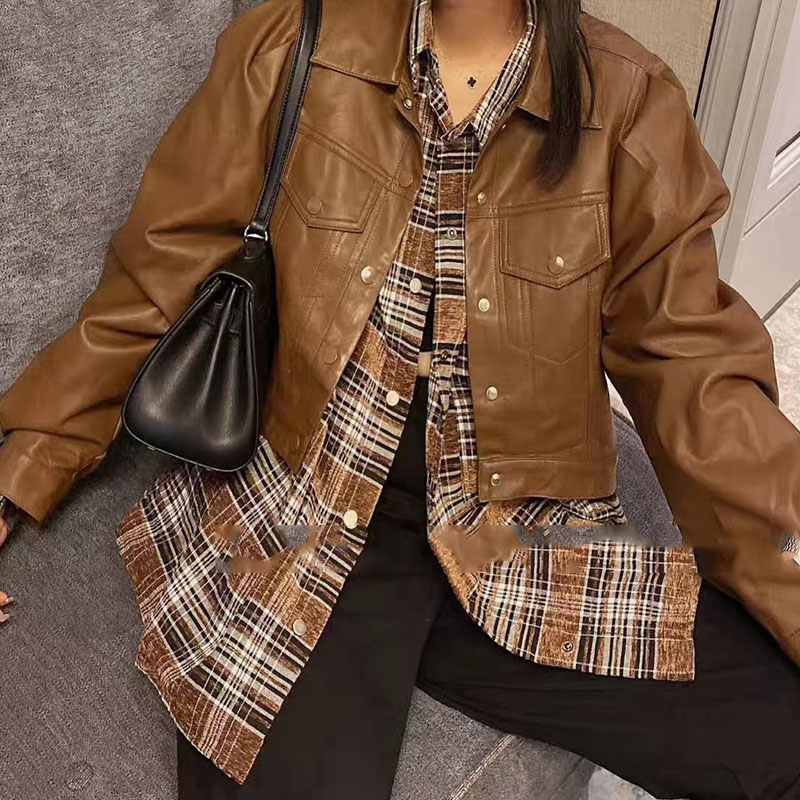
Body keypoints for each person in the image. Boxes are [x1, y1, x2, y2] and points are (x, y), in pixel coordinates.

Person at [1, 0, 799, 797]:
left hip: (515, 532)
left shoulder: (627, 104)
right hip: (307, 512)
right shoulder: (293, 45)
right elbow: (153, 286)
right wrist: (18, 472)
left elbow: (695, 376)